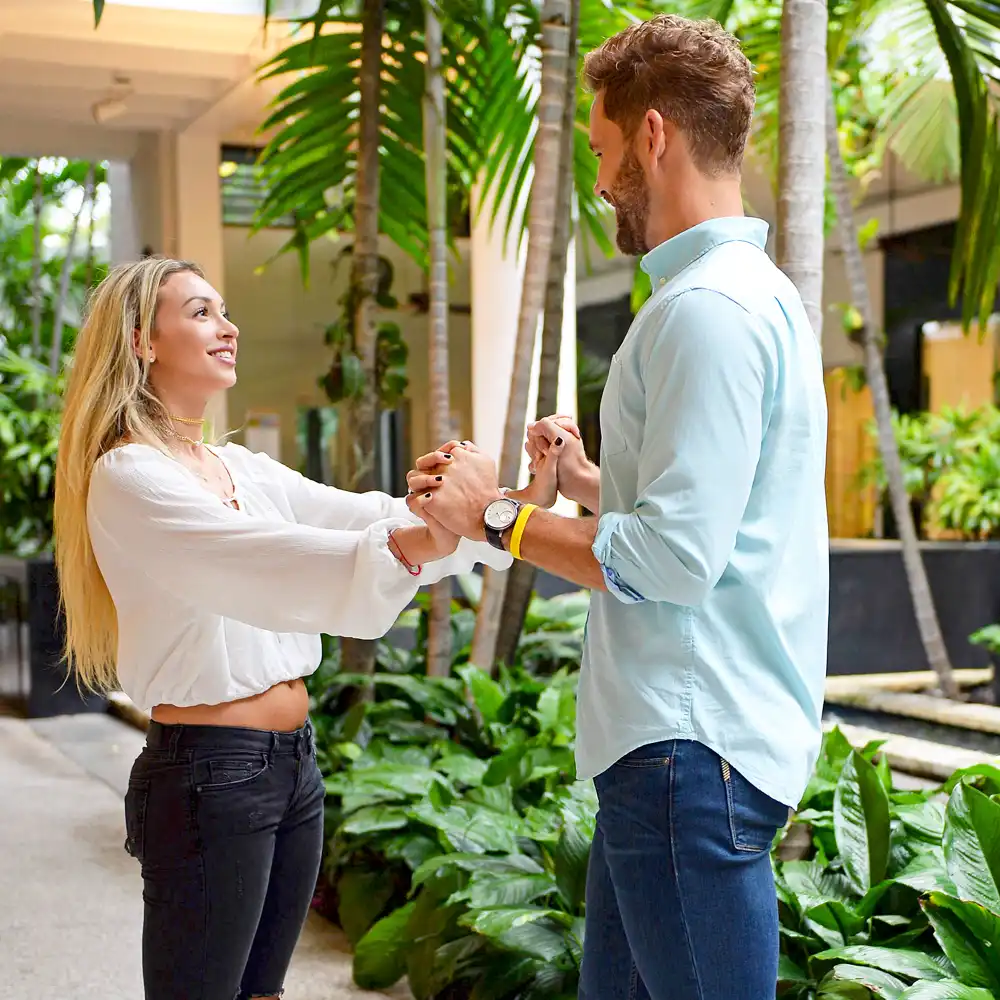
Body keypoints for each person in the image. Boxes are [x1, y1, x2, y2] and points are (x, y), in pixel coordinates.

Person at [407, 14, 829, 1000]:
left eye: (601, 152)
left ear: (652, 135)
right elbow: (725, 513)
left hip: (686, 752)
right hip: (678, 756)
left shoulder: (705, 311)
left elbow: (673, 559)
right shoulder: (748, 296)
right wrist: (590, 480)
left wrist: (494, 516)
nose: (598, 181)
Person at [52, 256, 557, 1000]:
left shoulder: (240, 468)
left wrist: (495, 506)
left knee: (264, 994)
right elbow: (264, 560)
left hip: (292, 766)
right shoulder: (129, 475)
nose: (228, 327)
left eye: (225, 310)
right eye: (200, 312)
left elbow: (361, 516)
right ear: (141, 341)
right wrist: (423, 536)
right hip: (211, 775)